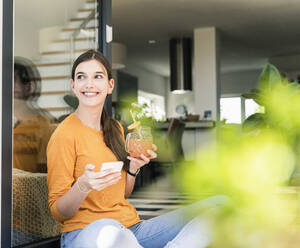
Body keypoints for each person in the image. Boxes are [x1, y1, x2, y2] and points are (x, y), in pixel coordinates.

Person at [46, 50, 228, 248]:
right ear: (73, 85)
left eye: (97, 76)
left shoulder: (114, 128)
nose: (89, 84)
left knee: (221, 203)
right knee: (106, 228)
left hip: (132, 230)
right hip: (87, 233)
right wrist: (83, 185)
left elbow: (122, 194)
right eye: (82, 77)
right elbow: (58, 211)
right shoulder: (64, 135)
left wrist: (132, 168)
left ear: (110, 85)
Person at [13, 56, 57, 173]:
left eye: (13, 80)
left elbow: (45, 172)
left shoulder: (42, 125)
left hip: (28, 188)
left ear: (29, 87)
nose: (7, 87)